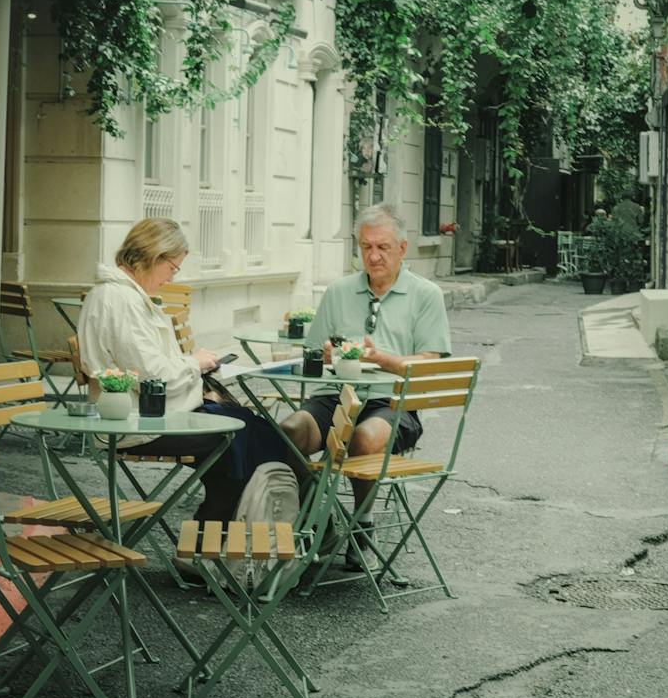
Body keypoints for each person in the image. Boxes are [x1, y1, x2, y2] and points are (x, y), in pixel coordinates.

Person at [78, 217, 296, 528]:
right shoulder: (121, 300)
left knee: (252, 430)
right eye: (173, 268)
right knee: (238, 434)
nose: (170, 279)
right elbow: (153, 375)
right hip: (139, 425)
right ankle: (217, 534)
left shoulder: (123, 295)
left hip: (146, 414)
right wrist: (195, 365)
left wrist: (194, 374)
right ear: (155, 256)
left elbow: (149, 369)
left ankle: (223, 531)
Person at [280, 203, 451, 559]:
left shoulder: (426, 295)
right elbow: (315, 353)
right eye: (366, 247)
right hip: (337, 396)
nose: (373, 256)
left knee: (363, 437)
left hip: (393, 403)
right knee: (290, 430)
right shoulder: (339, 292)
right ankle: (320, 517)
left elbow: (431, 364)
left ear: (402, 249)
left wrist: (384, 360)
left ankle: (363, 521)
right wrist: (326, 354)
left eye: (382, 247)